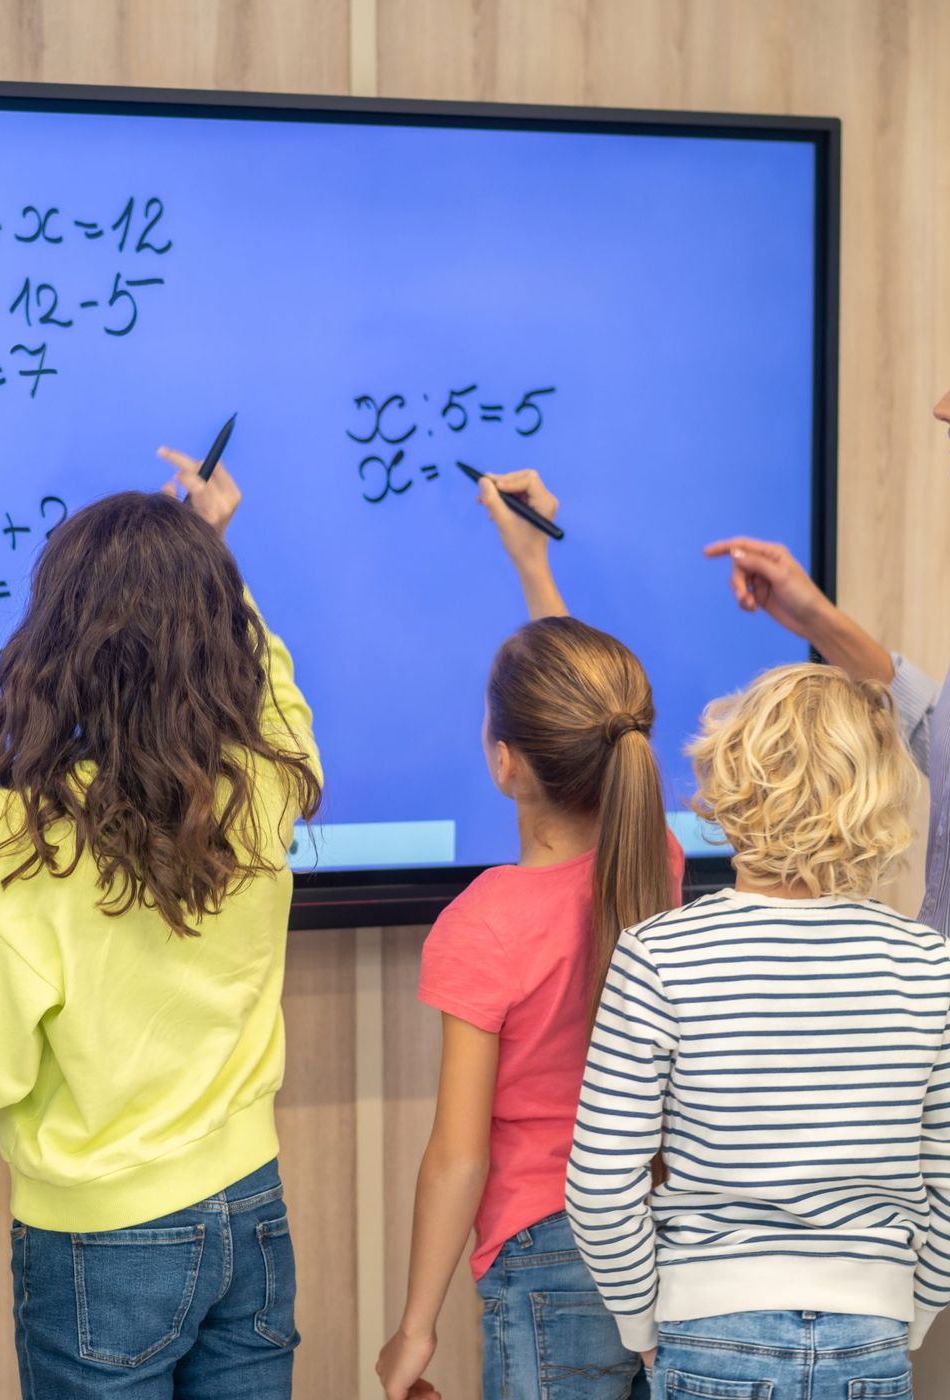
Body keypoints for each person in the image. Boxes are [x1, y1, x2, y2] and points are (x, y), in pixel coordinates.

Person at [0, 451, 321, 1400]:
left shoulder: (17, 834)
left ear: (57, 639)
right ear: (215, 632)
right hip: (253, 1206)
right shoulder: (262, 785)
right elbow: (279, 696)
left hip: (100, 1237)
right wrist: (215, 556)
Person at [377, 472, 684, 1400]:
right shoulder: (656, 860)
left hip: (546, 1259)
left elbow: (459, 1155)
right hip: (660, 1241)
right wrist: (532, 565)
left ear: (503, 762)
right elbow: (600, 722)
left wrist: (414, 1331)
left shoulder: (484, 923)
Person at [567, 662, 945, 1394]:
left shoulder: (658, 954)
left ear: (727, 781)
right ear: (877, 797)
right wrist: (915, 1308)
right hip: (873, 1338)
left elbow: (599, 1186)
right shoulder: (927, 963)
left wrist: (641, 1322)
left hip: (709, 1333)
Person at [703, 386, 950, 935]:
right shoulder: (920, 965)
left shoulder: (658, 955)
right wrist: (814, 617)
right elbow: (941, 738)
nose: (940, 405)